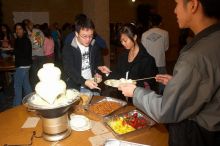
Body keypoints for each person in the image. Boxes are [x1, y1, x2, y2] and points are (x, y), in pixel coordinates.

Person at [118, 0, 220, 145]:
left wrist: (135, 92)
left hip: (198, 134)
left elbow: (166, 110)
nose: (175, 10)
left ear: (193, 5)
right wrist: (178, 82)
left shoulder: (195, 56)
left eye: (177, 3)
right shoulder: (213, 39)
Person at [101, 23, 158, 99]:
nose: (123, 44)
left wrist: (133, 84)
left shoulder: (147, 59)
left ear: (134, 37)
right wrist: (108, 73)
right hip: (122, 97)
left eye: (125, 40)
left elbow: (150, 84)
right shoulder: (122, 56)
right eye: (121, 41)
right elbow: (118, 73)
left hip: (138, 100)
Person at [62, 16, 103, 94]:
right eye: (84, 36)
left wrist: (98, 72)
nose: (88, 39)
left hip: (93, 84)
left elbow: (98, 62)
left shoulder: (94, 45)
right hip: (76, 86)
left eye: (91, 36)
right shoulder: (68, 47)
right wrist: (84, 81)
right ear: (76, 34)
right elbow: (69, 69)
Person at [141, 14, 169, 94]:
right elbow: (166, 48)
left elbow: (143, 51)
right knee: (162, 84)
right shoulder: (165, 33)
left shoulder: (144, 34)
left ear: (150, 23)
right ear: (160, 23)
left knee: (149, 85)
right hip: (160, 62)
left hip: (148, 64)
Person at [13, 23, 32, 106]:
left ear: (24, 30)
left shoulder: (24, 40)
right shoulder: (19, 40)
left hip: (22, 66)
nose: (18, 31)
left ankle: (16, 107)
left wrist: (13, 52)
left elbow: (25, 53)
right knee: (26, 85)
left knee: (17, 87)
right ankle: (31, 103)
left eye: (20, 28)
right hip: (25, 65)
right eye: (16, 29)